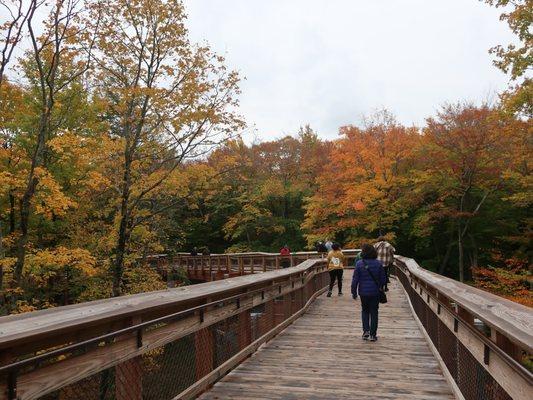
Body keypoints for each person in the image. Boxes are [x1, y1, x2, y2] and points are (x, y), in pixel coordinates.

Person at [351, 243, 387, 342]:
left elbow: (355, 280)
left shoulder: (359, 264)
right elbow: (384, 280)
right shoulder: (378, 263)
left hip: (363, 292)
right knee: (374, 312)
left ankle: (365, 331)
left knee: (365, 311)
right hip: (375, 292)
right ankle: (373, 335)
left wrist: (353, 292)